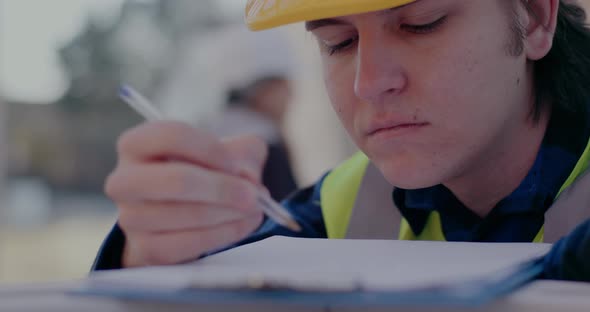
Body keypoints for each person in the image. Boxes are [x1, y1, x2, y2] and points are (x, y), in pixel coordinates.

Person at [94, 0, 590, 281]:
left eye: (421, 24)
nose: (368, 82)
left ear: (535, 18)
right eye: (338, 43)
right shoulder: (339, 208)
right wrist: (147, 261)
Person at [206, 75, 298, 201]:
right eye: (284, 87)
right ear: (265, 91)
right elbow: (287, 202)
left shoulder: (219, 129)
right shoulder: (265, 145)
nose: (290, 97)